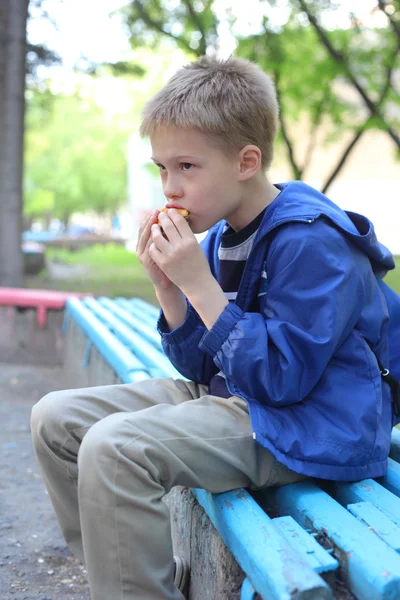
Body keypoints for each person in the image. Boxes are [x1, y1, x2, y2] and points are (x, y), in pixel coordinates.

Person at [31, 55, 396, 600]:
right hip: (241, 400)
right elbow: (202, 365)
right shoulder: (223, 233)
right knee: (54, 418)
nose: (169, 188)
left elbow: (281, 380)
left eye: (187, 167)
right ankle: (133, 577)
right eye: (161, 169)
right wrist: (168, 287)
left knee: (115, 447)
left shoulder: (311, 242)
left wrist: (200, 286)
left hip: (309, 426)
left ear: (246, 161)